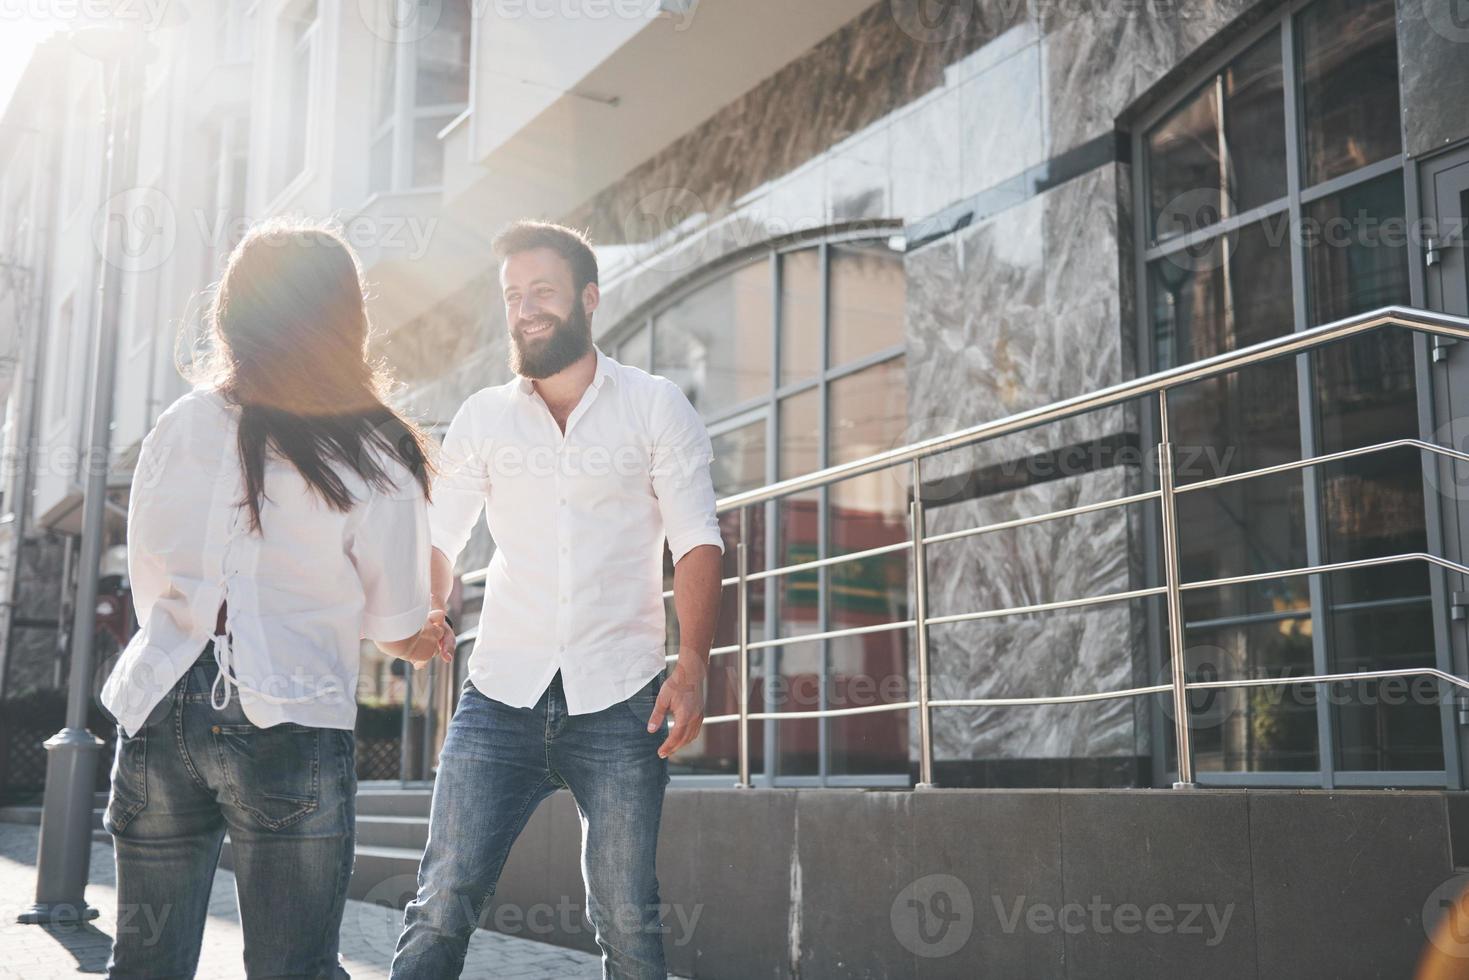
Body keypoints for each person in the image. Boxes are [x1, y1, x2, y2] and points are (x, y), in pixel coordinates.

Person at [99, 219, 451, 979]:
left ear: (232, 313)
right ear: (347, 319)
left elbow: (150, 575)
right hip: (290, 715)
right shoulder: (370, 445)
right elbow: (394, 625)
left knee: (144, 965)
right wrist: (426, 627)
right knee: (295, 969)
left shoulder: (180, 422)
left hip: (159, 702)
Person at [389, 220, 724, 979]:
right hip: (498, 694)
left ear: (588, 297)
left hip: (620, 700)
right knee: (441, 902)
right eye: (512, 295)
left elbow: (697, 538)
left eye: (541, 290)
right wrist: (429, 606)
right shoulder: (483, 416)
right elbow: (443, 537)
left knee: (627, 918)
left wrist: (692, 662)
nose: (525, 308)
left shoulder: (654, 404)